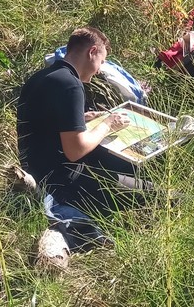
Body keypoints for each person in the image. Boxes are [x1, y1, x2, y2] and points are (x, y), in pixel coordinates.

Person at [15, 27, 145, 250]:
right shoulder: (71, 85)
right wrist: (108, 123)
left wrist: (81, 119)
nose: (99, 70)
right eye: (101, 61)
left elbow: (45, 124)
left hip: (37, 169)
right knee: (156, 195)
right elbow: (75, 150)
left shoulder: (42, 77)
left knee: (127, 173)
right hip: (62, 183)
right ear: (92, 51)